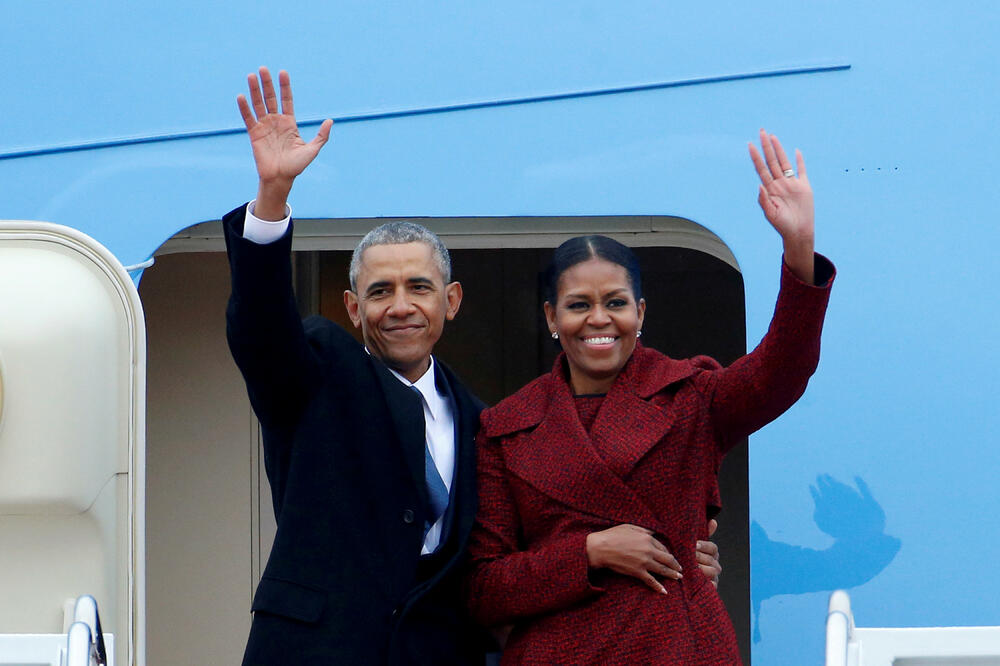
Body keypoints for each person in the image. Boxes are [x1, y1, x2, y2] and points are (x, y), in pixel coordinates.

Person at [223, 66, 722, 665]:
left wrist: (680, 556)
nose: (400, 306)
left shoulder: (489, 424)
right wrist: (272, 200)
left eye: (419, 288)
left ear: (450, 302)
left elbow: (526, 555)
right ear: (354, 308)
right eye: (380, 292)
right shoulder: (316, 372)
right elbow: (261, 335)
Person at [464, 130, 835, 664]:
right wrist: (591, 552)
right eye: (578, 305)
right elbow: (484, 590)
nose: (598, 319)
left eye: (615, 302)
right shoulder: (505, 428)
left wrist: (797, 248)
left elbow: (781, 372)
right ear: (551, 317)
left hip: (676, 645)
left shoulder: (691, 396)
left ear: (640, 312)